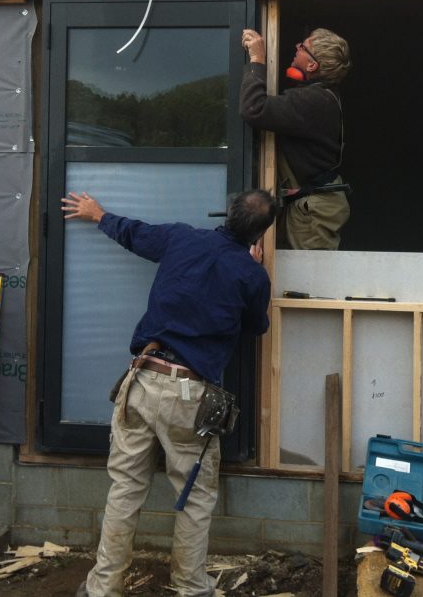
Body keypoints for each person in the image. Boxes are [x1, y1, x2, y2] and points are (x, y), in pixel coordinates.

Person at [62, 189, 276, 597]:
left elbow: (135, 233)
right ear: (260, 236)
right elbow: (255, 327)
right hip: (189, 395)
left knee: (125, 488)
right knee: (194, 499)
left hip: (141, 380)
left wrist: (98, 214)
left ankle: (102, 588)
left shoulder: (182, 238)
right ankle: (191, 587)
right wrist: (253, 271)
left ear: (227, 214)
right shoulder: (251, 275)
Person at [240, 27, 352, 250]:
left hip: (314, 212)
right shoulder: (321, 97)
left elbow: (254, 108)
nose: (297, 47)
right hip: (310, 207)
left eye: (304, 47)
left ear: (312, 65)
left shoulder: (312, 101)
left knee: (311, 281)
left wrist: (257, 60)